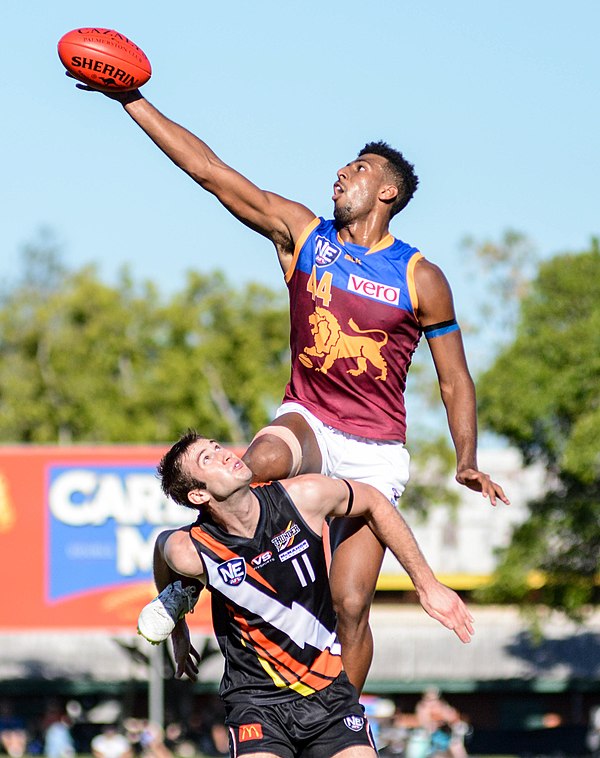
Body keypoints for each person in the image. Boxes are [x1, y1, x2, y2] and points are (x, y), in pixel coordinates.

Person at [74, 77, 509, 692]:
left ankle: (338, 720)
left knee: (351, 603)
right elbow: (209, 171)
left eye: (357, 168)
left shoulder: (421, 277)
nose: (340, 173)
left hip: (374, 449)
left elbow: (455, 378)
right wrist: (131, 101)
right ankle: (183, 588)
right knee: (251, 468)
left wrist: (466, 460)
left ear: (387, 191)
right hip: (308, 416)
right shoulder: (304, 235)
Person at [137, 430, 474, 758]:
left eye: (217, 445)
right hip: (256, 703)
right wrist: (178, 631)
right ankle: (189, 591)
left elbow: (373, 500)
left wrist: (427, 584)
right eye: (207, 458)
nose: (225, 453)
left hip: (328, 691)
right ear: (198, 495)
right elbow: (161, 551)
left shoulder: (302, 497)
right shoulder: (190, 549)